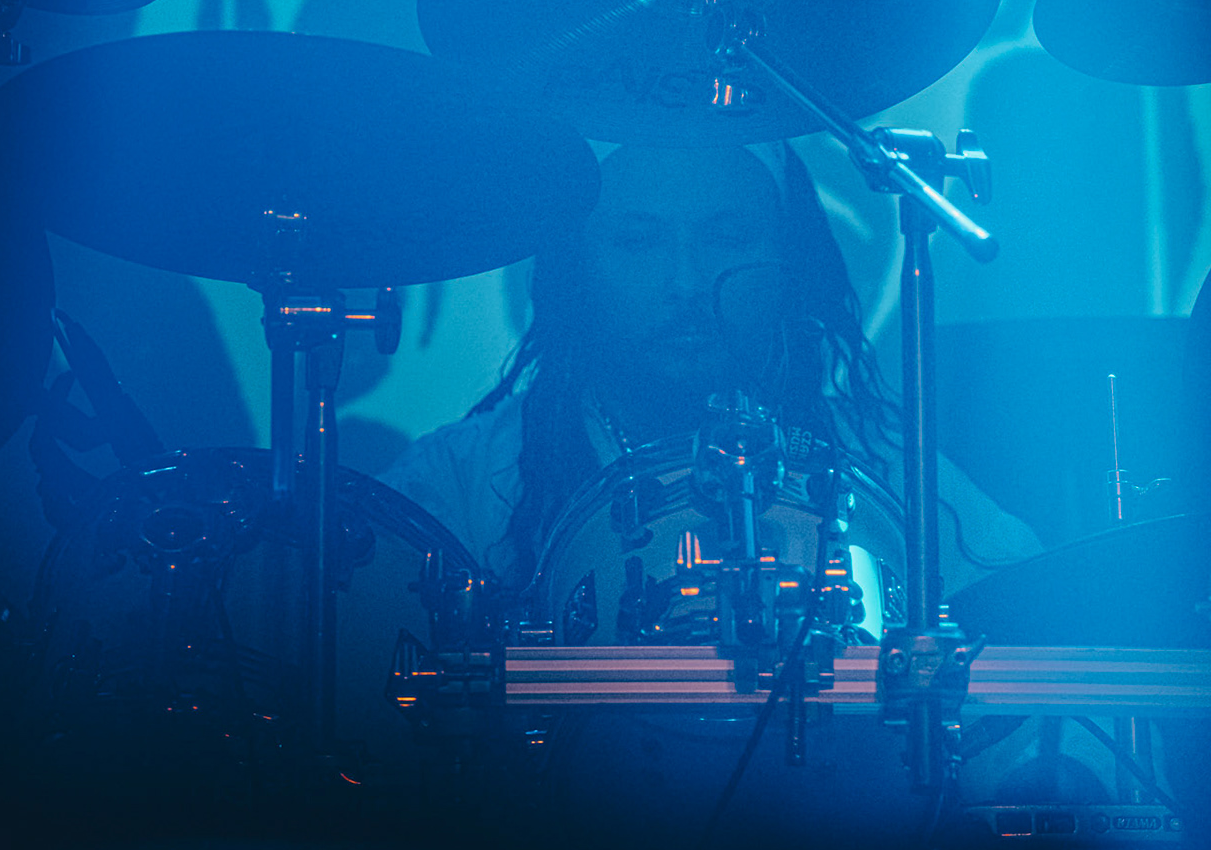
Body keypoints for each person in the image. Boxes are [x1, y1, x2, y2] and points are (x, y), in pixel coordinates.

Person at [380, 142, 1041, 594]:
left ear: (790, 266)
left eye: (726, 235)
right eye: (638, 240)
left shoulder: (889, 473)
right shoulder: (459, 486)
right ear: (572, 270)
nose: (686, 281)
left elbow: (1035, 627)